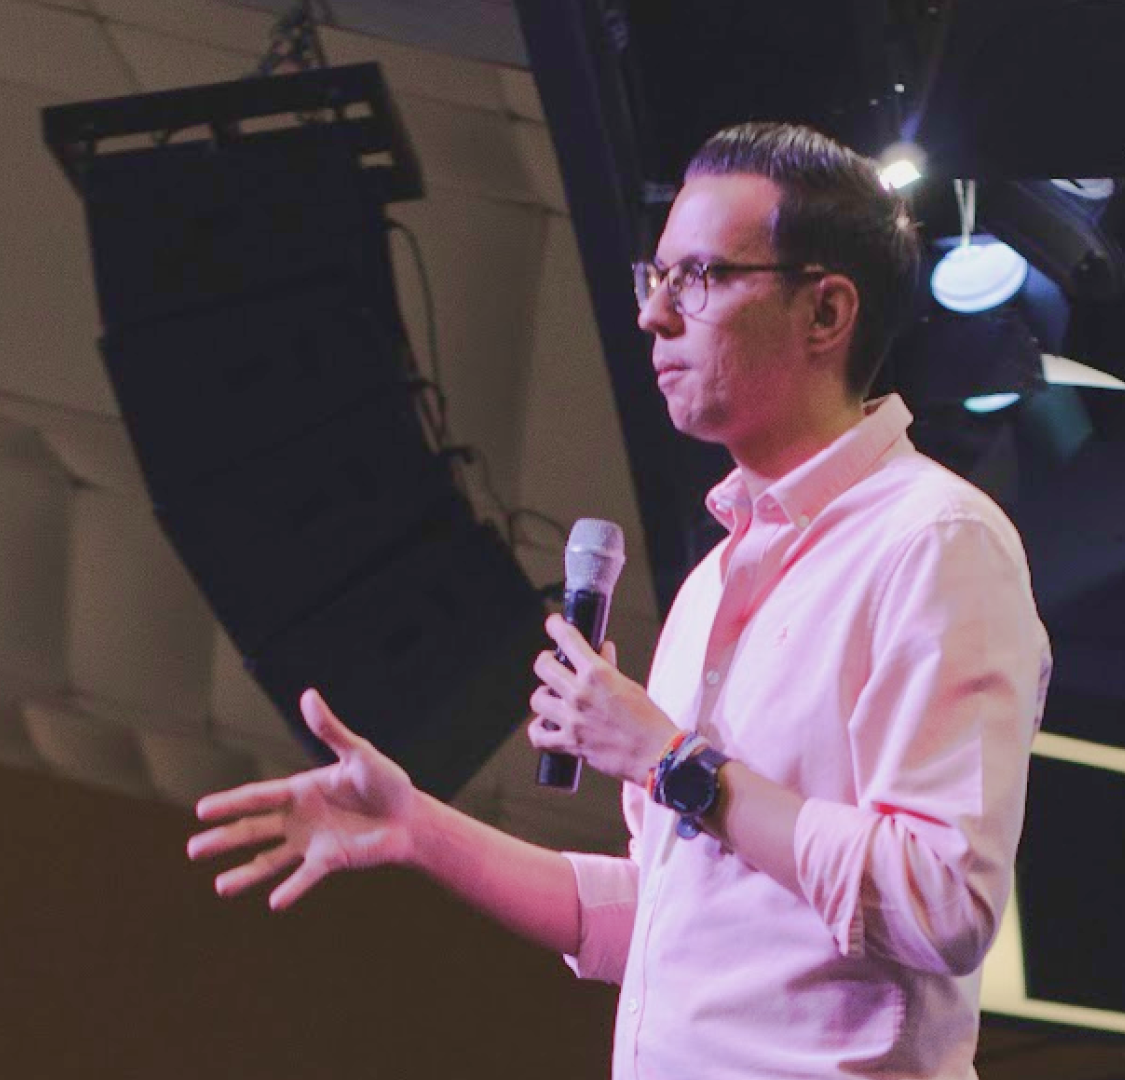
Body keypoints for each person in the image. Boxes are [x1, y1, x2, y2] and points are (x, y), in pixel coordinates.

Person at [188, 121, 1051, 1079]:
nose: (653, 315)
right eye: (657, 277)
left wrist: (671, 761)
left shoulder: (934, 541)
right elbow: (670, 914)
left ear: (825, 311)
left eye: (700, 277)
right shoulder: (711, 584)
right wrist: (418, 828)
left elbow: (943, 902)